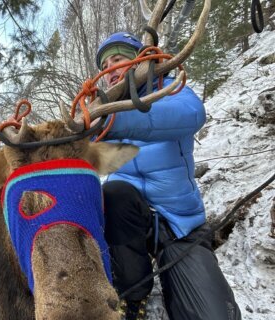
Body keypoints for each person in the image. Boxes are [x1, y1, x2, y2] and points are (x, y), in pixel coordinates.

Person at [97, 32, 241, 320]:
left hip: (179, 225)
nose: (109, 71)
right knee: (113, 195)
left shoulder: (170, 90)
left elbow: (191, 115)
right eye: (104, 67)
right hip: (128, 222)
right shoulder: (99, 112)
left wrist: (115, 120)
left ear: (141, 61)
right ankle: (133, 294)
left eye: (118, 59)